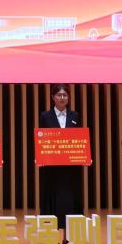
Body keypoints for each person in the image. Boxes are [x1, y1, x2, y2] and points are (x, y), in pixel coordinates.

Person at [38, 84, 84, 229]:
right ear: (53, 97)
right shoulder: (45, 116)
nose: (62, 98)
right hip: (51, 168)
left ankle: (69, 236)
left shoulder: (75, 116)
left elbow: (80, 139)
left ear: (68, 97)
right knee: (52, 200)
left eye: (65, 95)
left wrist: (84, 156)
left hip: (71, 169)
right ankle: (51, 234)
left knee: (70, 200)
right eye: (59, 95)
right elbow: (41, 140)